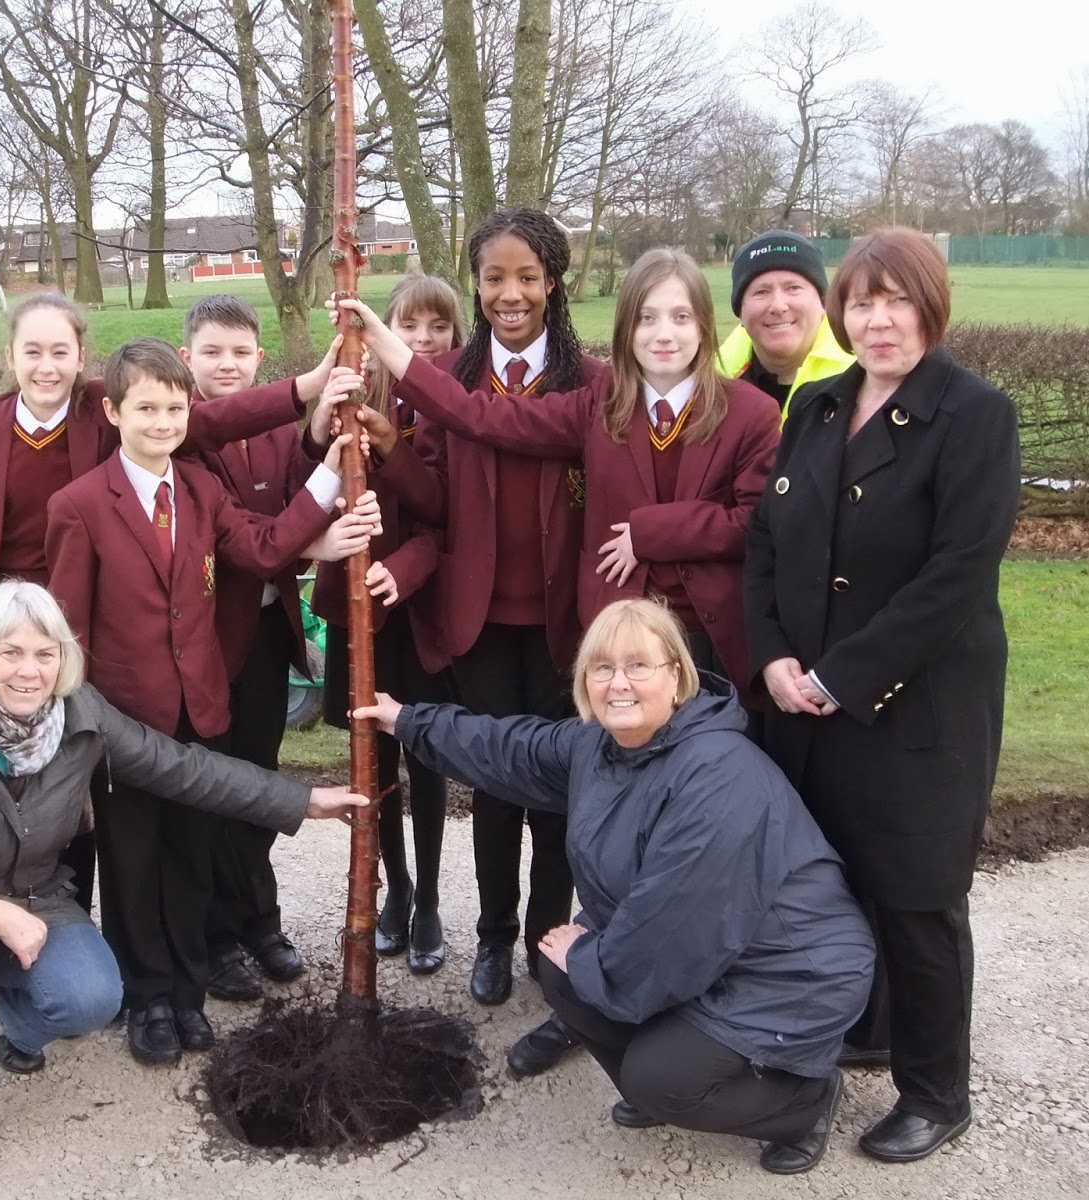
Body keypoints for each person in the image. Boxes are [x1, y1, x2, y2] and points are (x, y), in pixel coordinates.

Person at [337, 247, 779, 1074]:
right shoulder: (601, 405)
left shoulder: (743, 412)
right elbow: (483, 418)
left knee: (656, 815)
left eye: (682, 316)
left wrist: (651, 533)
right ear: (627, 327)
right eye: (649, 317)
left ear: (705, 325)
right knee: (536, 786)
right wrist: (388, 347)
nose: (665, 332)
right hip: (589, 640)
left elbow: (753, 518)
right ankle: (517, 945)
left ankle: (625, 965)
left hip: (679, 650)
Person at [0, 580, 368, 1182]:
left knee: (93, 998)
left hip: (34, 895)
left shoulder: (79, 715)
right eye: (9, 653)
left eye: (44, 654)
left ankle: (12, 1022)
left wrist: (301, 801)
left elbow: (182, 768)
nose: (29, 671)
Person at [354, 598, 874, 1176]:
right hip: (714, 953)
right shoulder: (599, 746)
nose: (618, 683)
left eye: (638, 666)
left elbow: (674, 928)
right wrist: (408, 720)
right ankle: (679, 1069)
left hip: (790, 972)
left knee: (656, 1076)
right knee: (563, 970)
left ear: (676, 674)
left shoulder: (716, 775)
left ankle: (804, 1101)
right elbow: (511, 747)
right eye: (601, 667)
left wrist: (591, 959)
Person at [744, 227, 1020, 1163]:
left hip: (918, 712)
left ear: (930, 307)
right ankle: (854, 1032)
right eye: (862, 302)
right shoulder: (817, 405)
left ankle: (936, 1091)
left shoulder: (975, 415)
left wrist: (845, 675)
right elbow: (767, 542)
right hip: (805, 704)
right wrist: (774, 655)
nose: (880, 320)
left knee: (916, 898)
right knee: (824, 887)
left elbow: (958, 576)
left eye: (898, 301)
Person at [44, 338, 380, 1067]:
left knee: (192, 857)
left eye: (174, 409)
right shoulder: (79, 506)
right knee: (135, 863)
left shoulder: (198, 488)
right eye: (146, 409)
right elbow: (67, 633)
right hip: (124, 725)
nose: (163, 422)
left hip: (202, 711)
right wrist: (79, 730)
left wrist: (328, 475)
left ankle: (188, 993)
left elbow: (262, 549)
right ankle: (148, 997)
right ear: (113, 412)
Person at [384, 210, 606, 1079]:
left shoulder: (590, 381)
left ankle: (549, 938)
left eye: (526, 277)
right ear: (474, 285)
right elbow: (433, 500)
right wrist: (392, 449)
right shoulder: (450, 377)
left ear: (553, 283)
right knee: (496, 787)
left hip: (563, 628)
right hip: (477, 621)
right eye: (492, 278)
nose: (509, 294)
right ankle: (490, 935)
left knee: (557, 791)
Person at [0, 292, 342, 651]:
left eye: (60, 352)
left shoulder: (103, 406)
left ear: (80, 357)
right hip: (2, 615)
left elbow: (208, 420)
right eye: (32, 352)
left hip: (92, 612)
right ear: (10, 356)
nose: (47, 368)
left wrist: (307, 387)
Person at [310, 274, 459, 975]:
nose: (423, 340)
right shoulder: (356, 390)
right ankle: (392, 886)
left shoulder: (455, 407)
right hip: (359, 609)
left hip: (419, 606)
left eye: (438, 327)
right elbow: (310, 472)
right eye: (409, 325)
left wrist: (394, 449)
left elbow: (441, 513)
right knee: (374, 758)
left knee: (424, 757)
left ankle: (428, 897)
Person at [180, 295, 320, 1000]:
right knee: (212, 786)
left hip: (267, 633)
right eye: (212, 352)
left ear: (260, 357)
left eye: (240, 352)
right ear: (187, 359)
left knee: (260, 780)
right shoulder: (179, 431)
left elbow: (298, 496)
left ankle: (259, 922)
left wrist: (321, 438)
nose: (227, 364)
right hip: (206, 641)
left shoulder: (276, 432)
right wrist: (307, 538)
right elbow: (250, 540)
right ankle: (214, 939)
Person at [716, 230, 854, 420]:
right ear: (740, 311)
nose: (778, 306)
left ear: (823, 303)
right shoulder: (712, 381)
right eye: (761, 292)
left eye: (793, 288)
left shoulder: (863, 375)